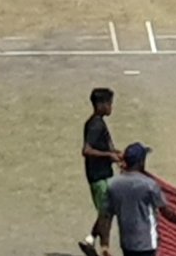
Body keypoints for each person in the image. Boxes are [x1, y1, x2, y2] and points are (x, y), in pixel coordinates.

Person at [99, 142, 176, 256]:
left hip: (127, 244)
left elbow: (105, 216)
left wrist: (104, 244)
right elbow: (166, 211)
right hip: (147, 244)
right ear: (141, 162)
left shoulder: (112, 184)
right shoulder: (149, 185)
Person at [78, 88, 123, 256]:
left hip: (103, 173)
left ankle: (90, 240)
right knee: (106, 212)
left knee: (108, 210)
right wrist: (109, 155)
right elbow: (86, 150)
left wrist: (116, 154)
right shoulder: (95, 125)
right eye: (110, 103)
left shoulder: (97, 123)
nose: (111, 107)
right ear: (101, 105)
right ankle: (105, 248)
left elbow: (105, 148)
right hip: (98, 176)